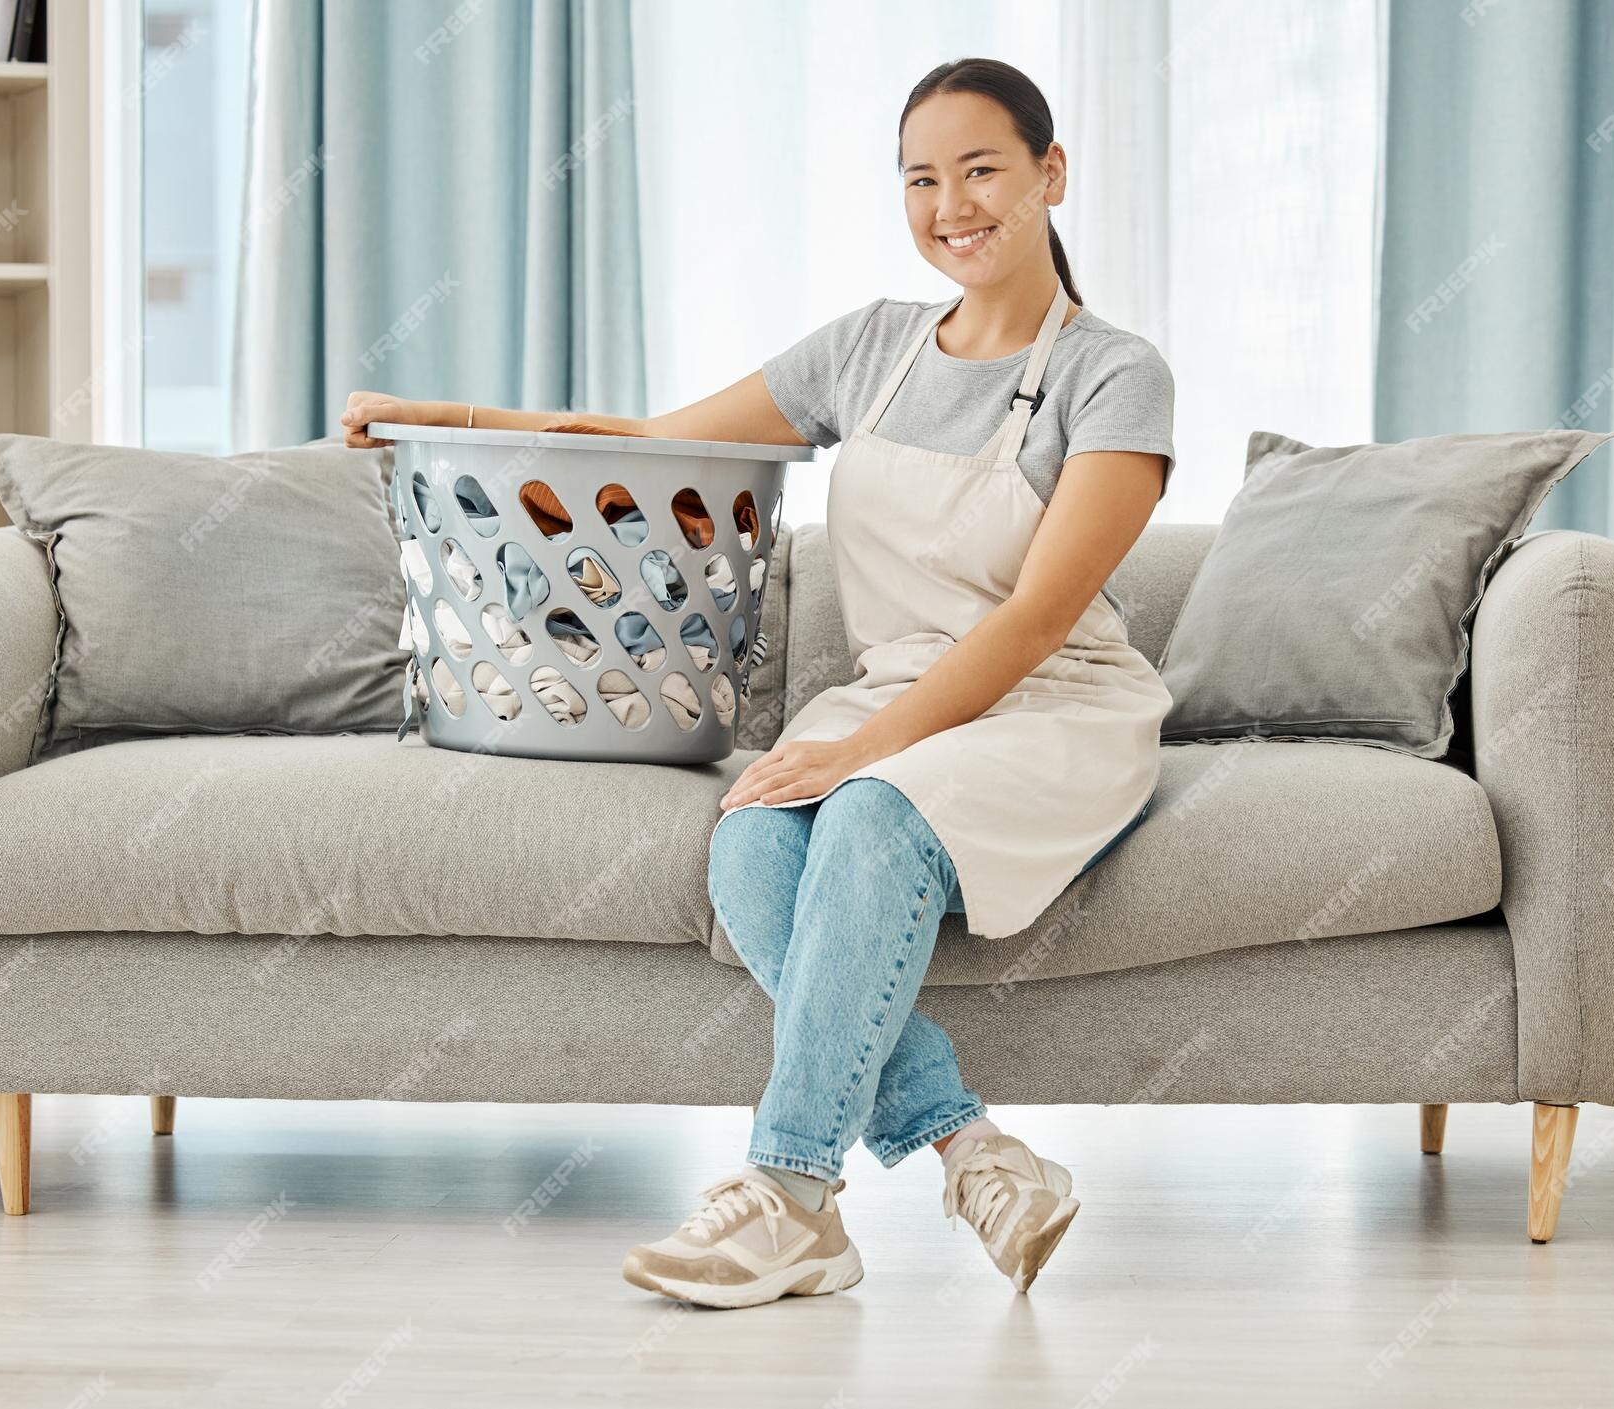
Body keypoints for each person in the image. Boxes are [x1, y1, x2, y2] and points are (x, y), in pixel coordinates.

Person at [340, 55, 1175, 1310]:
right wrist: (431, 414)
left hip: (1048, 703)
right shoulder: (871, 348)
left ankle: (786, 1194)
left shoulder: (1114, 375)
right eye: (920, 179)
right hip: (897, 688)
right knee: (748, 839)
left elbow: (1034, 620)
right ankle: (971, 1148)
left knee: (873, 815)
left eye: (982, 170)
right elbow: (657, 448)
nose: (951, 204)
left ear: (1050, 175)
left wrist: (861, 753)